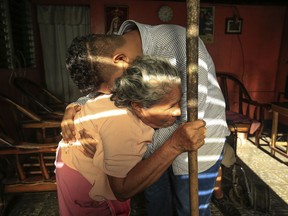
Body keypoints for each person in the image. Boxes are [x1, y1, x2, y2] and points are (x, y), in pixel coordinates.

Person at [61, 20, 230, 216]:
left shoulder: (181, 47)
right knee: (157, 206)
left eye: (115, 89)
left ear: (120, 59)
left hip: (194, 143)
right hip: (151, 143)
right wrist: (73, 107)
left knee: (188, 208)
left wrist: (115, 149)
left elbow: (184, 119)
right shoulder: (121, 55)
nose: (117, 95)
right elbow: (97, 97)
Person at [56, 54, 206, 215]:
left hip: (75, 161)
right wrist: (175, 145)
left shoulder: (124, 95)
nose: (178, 111)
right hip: (81, 176)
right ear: (139, 106)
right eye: (170, 106)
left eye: (179, 101)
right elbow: (122, 191)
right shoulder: (122, 123)